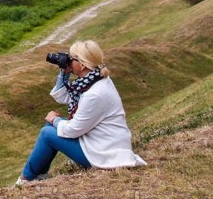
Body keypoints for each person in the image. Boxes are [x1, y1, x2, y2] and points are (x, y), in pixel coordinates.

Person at [16, 40, 146, 186]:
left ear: (82, 64)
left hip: (105, 153)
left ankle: (24, 180)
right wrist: (64, 73)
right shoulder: (96, 79)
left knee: (47, 133)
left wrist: (55, 120)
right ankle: (38, 174)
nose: (69, 61)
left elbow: (73, 130)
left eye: (72, 59)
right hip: (102, 142)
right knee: (51, 126)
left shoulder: (94, 94)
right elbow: (66, 96)